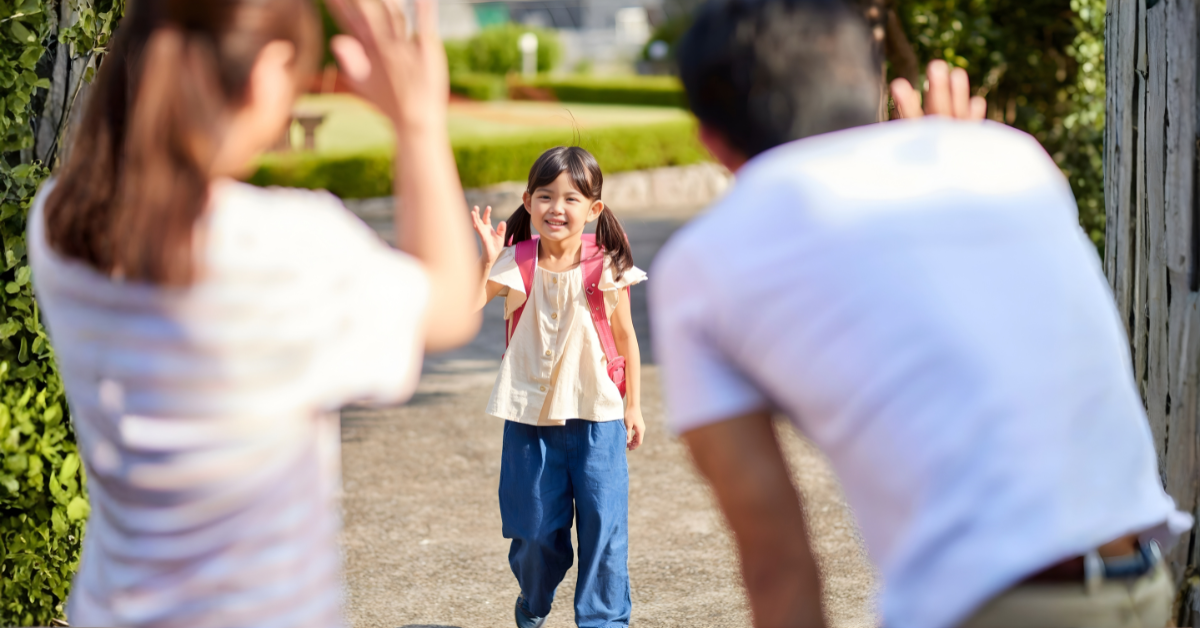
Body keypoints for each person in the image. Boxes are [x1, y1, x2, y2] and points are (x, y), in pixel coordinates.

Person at [648, 1, 1194, 627]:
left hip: (985, 606)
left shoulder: (706, 260)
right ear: (869, 80)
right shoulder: (1013, 159)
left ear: (712, 141)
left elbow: (778, 563)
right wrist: (953, 152)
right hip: (1142, 586)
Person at [27, 0, 479, 625]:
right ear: (268, 75)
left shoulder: (59, 226)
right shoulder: (285, 250)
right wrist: (419, 122)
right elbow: (453, 304)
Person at [469, 146, 647, 628]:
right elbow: (463, 308)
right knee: (532, 533)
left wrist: (634, 406)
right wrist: (486, 262)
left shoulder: (606, 264)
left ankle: (603, 621)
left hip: (599, 418)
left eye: (572, 198)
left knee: (604, 533)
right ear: (527, 202)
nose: (557, 208)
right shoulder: (515, 262)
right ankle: (533, 601)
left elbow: (627, 337)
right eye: (545, 196)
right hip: (530, 422)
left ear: (594, 209)